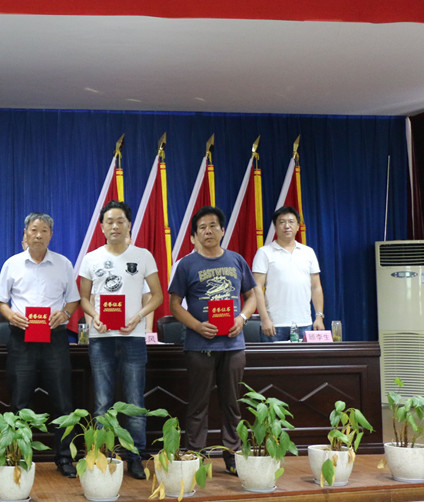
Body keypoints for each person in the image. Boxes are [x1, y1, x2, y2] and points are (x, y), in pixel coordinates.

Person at [168, 205, 256, 476]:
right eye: (202, 227)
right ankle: (195, 453)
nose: (208, 231)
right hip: (199, 346)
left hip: (233, 345)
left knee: (233, 404)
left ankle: (233, 454)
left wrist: (242, 318)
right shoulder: (186, 264)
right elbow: (174, 305)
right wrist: (196, 325)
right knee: (198, 404)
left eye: (213, 226)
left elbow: (252, 296)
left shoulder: (237, 260)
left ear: (222, 230)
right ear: (195, 235)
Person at [77, 202, 162, 480]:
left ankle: (135, 456)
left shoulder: (143, 256)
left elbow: (158, 296)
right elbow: (84, 299)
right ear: (102, 227)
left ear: (129, 225)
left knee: (135, 402)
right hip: (101, 338)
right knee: (102, 403)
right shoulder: (91, 258)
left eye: (120, 221)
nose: (115, 226)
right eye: (109, 221)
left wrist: (138, 317)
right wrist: (94, 317)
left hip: (133, 338)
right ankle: (103, 455)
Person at [0, 213, 80, 477]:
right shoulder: (12, 264)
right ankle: (18, 456)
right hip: (21, 338)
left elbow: (73, 299)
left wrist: (65, 314)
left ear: (51, 235)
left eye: (44, 230)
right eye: (34, 230)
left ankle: (64, 458)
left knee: (63, 401)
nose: (39, 235)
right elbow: (0, 301)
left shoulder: (63, 264)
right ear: (25, 233)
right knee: (19, 401)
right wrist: (11, 316)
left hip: (54, 338)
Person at [253, 206, 325, 342]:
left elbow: (316, 287)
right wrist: (265, 319)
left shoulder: (308, 252)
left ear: (298, 226)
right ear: (275, 227)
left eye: (291, 222)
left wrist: (319, 317)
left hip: (304, 323)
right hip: (274, 325)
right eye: (282, 222)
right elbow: (256, 288)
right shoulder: (264, 252)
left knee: (305, 357)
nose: (287, 226)